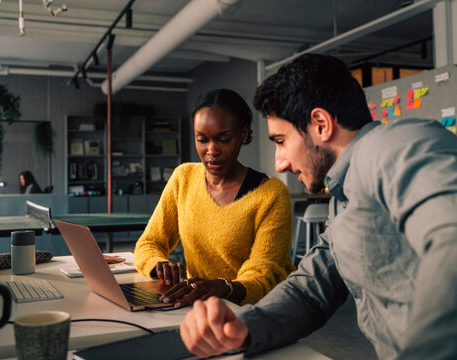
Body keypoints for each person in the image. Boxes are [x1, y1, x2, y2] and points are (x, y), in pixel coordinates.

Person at [179, 54, 457, 359]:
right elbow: (309, 291)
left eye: (281, 141)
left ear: (321, 125)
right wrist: (244, 328)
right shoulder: (343, 199)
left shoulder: (395, 146)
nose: (279, 163)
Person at [134, 88, 295, 307]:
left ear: (244, 134)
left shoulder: (271, 194)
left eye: (224, 139)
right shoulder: (184, 177)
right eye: (202, 139)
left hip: (260, 310)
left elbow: (263, 274)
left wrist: (223, 287)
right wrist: (159, 265)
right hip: (202, 304)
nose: (211, 150)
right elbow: (149, 243)